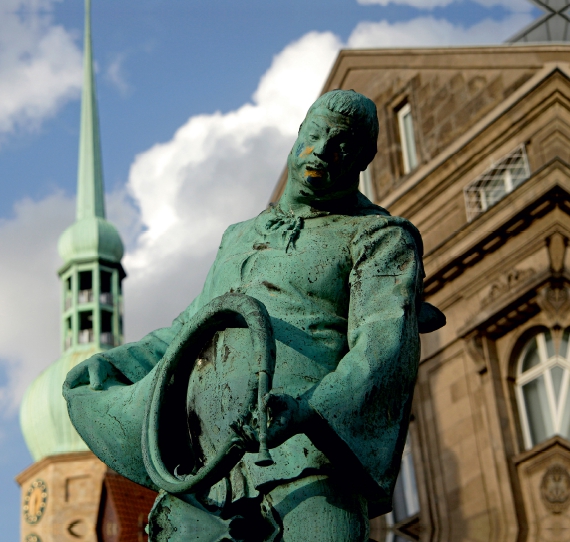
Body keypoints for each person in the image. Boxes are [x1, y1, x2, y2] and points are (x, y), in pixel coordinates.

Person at [64, 90, 438, 541]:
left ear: (362, 161)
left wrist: (306, 411)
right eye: (314, 135)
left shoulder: (378, 236)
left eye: (341, 146)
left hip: (308, 464)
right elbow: (190, 330)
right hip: (209, 474)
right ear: (298, 136)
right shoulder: (239, 236)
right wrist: (120, 364)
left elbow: (382, 345)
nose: (321, 151)